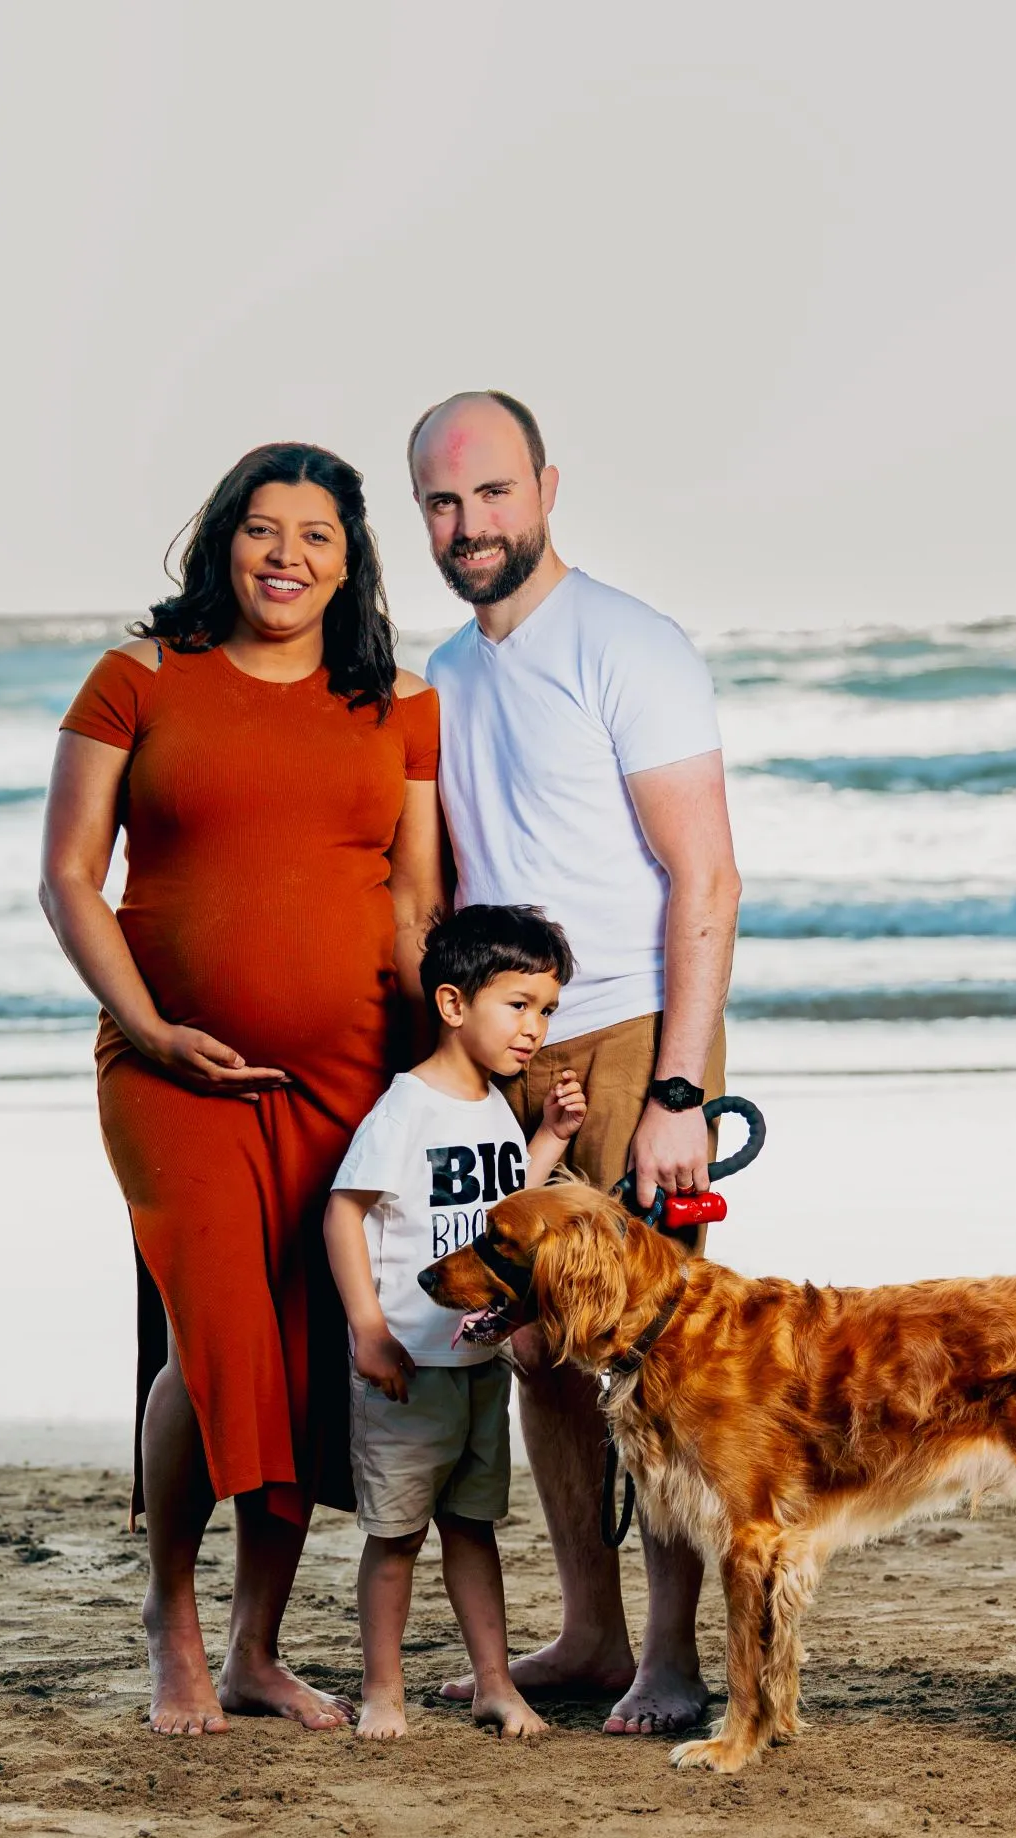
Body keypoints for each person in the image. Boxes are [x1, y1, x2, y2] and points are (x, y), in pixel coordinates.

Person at [39, 442, 445, 1736]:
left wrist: (431, 1072)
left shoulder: (401, 702)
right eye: (263, 528)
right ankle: (170, 1614)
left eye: (316, 534)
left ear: (349, 558)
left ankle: (255, 1649)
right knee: (214, 1336)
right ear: (223, 538)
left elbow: (413, 903)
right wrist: (150, 1028)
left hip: (348, 1074)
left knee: (309, 1347)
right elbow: (67, 877)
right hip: (171, 1071)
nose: (286, 555)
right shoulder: (139, 677)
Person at [408, 390, 742, 1737]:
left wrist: (679, 1090)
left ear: (545, 488)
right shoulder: (442, 674)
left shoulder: (627, 643)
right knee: (539, 1353)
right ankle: (592, 1633)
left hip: (627, 1033)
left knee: (655, 1357)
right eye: (443, 501)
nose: (470, 523)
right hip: (505, 1045)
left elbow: (705, 876)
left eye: (492, 492)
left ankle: (670, 1654)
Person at [323, 905, 587, 1741]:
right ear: (451, 1003)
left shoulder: (495, 1107)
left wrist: (550, 1139)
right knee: (396, 1537)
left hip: (479, 1367)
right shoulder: (408, 1108)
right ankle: (382, 1691)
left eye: (546, 1009)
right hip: (408, 1367)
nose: (534, 1027)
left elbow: (502, 1209)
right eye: (518, 1005)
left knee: (474, 1530)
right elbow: (342, 1213)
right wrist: (367, 1328)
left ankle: (494, 1685)